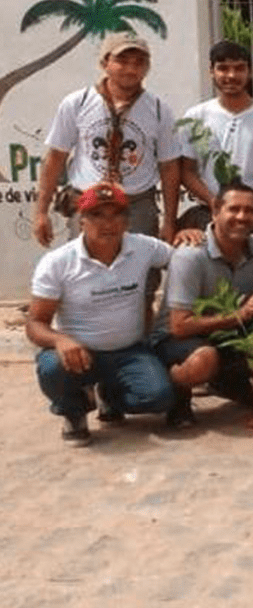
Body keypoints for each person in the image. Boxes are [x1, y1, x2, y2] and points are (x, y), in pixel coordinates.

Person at [29, 183, 174, 446]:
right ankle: (74, 411)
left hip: (129, 351)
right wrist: (60, 340)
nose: (108, 223)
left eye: (116, 214)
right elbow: (35, 324)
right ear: (81, 221)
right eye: (97, 215)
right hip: (80, 355)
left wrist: (188, 236)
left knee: (159, 397)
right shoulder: (57, 263)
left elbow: (182, 261)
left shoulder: (144, 248)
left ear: (127, 221)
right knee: (51, 367)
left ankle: (110, 395)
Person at [33, 33, 182, 249]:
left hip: (137, 205)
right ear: (105, 63)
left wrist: (169, 222)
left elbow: (169, 167)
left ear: (147, 67)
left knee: (140, 267)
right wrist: (41, 212)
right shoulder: (78, 103)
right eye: (122, 61)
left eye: (139, 62)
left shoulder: (159, 110)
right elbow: (56, 157)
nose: (131, 69)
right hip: (87, 202)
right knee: (84, 265)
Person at [155, 182, 253, 428]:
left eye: (249, 210)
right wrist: (239, 315)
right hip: (177, 339)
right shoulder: (190, 255)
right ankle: (175, 391)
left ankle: (227, 382)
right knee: (204, 361)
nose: (242, 217)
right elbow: (179, 326)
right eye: (234, 209)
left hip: (229, 334)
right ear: (215, 212)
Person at [176, 41, 253, 242]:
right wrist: (214, 202)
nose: (231, 75)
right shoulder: (196, 117)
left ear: (250, 72)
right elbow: (187, 170)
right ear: (211, 71)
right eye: (223, 68)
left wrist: (251, 202)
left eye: (239, 68)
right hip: (208, 212)